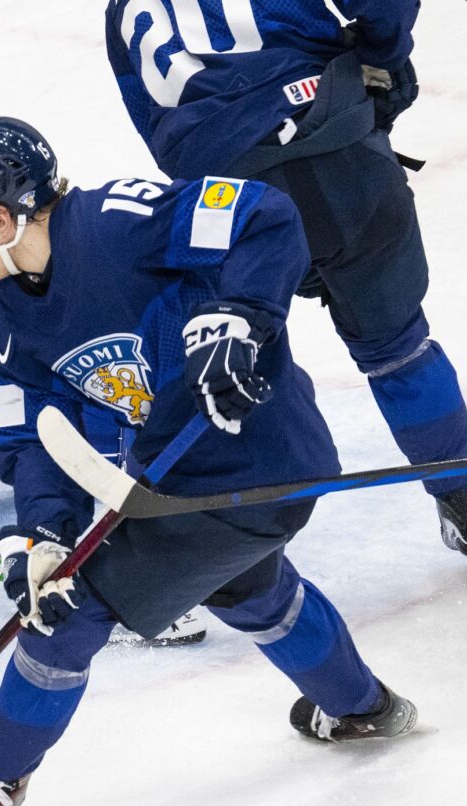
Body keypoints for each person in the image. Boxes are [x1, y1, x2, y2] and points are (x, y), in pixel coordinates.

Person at [0, 118, 417, 806]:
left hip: (258, 456)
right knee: (247, 586)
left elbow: (264, 215)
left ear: (0, 214)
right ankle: (362, 706)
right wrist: (40, 532)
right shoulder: (2, 318)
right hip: (184, 479)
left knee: (71, 615)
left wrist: (240, 317)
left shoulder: (117, 224)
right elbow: (34, 434)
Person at [106, 0, 467, 553]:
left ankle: (185, 554)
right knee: (397, 347)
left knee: (216, 354)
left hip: (231, 196)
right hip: (341, 150)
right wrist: (379, 59)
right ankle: (463, 497)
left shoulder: (121, 9)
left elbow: (153, 126)